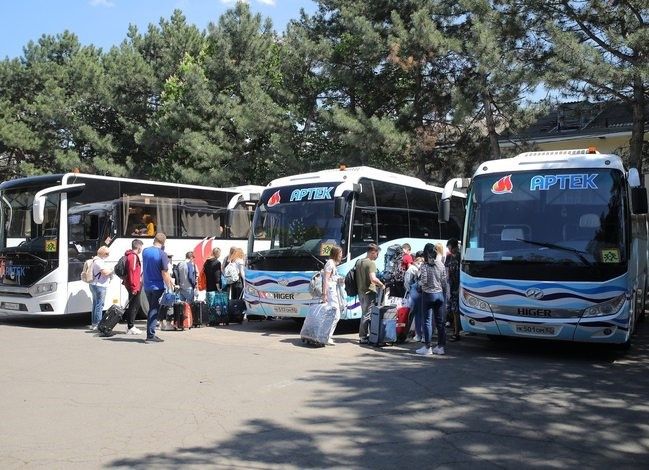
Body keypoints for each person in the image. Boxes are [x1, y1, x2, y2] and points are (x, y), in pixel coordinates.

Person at [142, 232, 174, 343]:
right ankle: (150, 335)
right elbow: (164, 273)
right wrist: (169, 286)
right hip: (157, 286)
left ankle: (150, 334)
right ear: (164, 242)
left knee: (152, 308)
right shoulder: (162, 254)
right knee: (154, 310)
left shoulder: (145, 251)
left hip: (147, 285)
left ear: (154, 239)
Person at [417, 243, 448, 356]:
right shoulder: (441, 264)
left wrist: (420, 285)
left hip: (428, 295)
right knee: (440, 322)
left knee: (427, 321)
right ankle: (440, 347)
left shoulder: (424, 266)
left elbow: (424, 281)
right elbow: (444, 281)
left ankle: (427, 347)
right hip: (439, 295)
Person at [356, 243, 386, 344]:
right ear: (373, 252)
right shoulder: (370, 263)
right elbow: (373, 279)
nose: (377, 256)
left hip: (360, 292)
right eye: (377, 254)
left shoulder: (359, 262)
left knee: (364, 313)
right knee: (367, 315)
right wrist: (381, 285)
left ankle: (368, 335)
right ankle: (363, 337)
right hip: (369, 292)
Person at [322, 246, 344, 345]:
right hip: (330, 292)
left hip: (332, 291)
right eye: (340, 254)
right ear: (336, 254)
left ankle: (327, 336)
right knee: (335, 314)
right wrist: (324, 294)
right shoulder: (330, 264)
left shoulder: (332, 264)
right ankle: (327, 336)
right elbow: (326, 279)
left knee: (334, 314)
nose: (341, 256)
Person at [89, 246, 114, 330]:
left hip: (94, 284)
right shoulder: (98, 262)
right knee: (100, 305)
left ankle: (94, 323)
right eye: (107, 253)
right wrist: (112, 270)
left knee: (95, 304)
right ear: (102, 253)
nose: (108, 255)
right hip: (100, 285)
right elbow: (105, 273)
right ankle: (97, 324)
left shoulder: (95, 260)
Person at [123, 239, 144, 335]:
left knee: (134, 305)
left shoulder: (130, 255)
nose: (141, 249)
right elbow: (132, 272)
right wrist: (134, 287)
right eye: (141, 247)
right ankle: (130, 326)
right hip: (134, 285)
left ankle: (130, 326)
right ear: (138, 247)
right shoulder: (133, 256)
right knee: (134, 306)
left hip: (133, 284)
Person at [404, 253, 424, 341]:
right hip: (419, 293)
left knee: (413, 313)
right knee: (419, 314)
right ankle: (417, 333)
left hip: (414, 294)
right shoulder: (415, 269)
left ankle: (412, 332)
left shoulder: (412, 269)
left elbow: (407, 283)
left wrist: (410, 291)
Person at [445, 238, 462, 342]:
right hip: (451, 287)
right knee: (452, 309)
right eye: (449, 248)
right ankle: (455, 329)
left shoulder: (461, 257)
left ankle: (456, 332)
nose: (450, 250)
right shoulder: (449, 257)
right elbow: (446, 271)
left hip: (459, 287)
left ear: (456, 247)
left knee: (456, 310)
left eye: (451, 247)